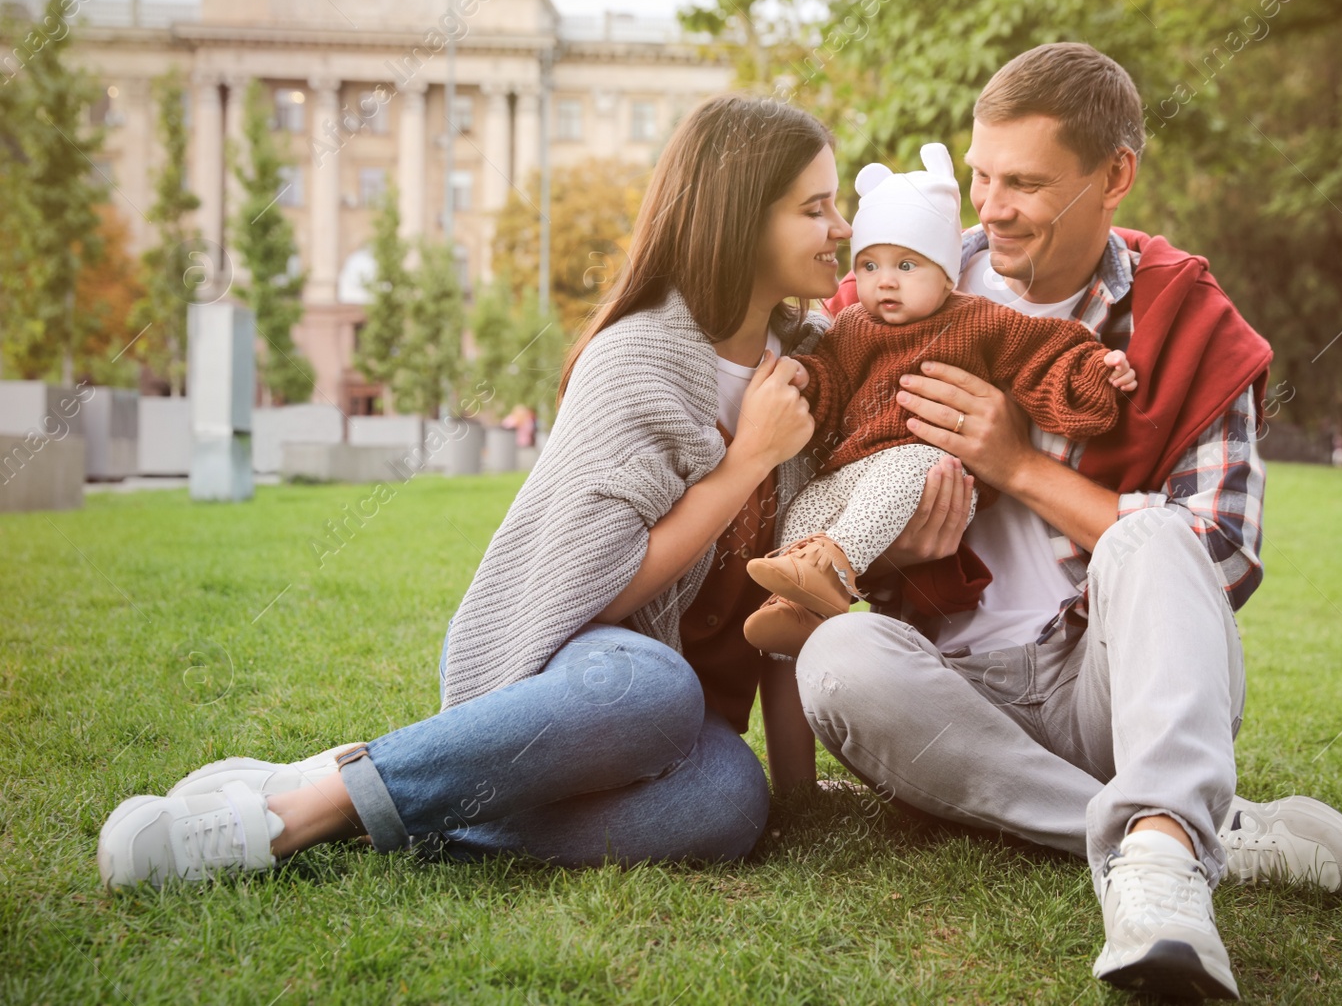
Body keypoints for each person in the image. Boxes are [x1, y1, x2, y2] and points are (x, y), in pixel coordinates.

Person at [96, 95, 845, 888]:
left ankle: (375, 796)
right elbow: (592, 586)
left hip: (677, 730)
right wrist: (745, 463)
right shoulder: (639, 360)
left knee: (729, 802)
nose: (842, 228)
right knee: (652, 687)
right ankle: (287, 819)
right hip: (562, 660)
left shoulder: (813, 362)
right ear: (739, 220)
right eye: (816, 208)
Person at [797, 43, 1342, 1001]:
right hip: (957, 692)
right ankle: (1184, 834)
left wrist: (1014, 464)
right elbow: (810, 492)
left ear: (1116, 177)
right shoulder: (899, 285)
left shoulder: (1183, 313)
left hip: (1122, 687)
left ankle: (1159, 875)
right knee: (834, 661)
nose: (990, 207)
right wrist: (888, 544)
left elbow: (1219, 560)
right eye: (982, 174)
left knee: (1158, 536)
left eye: (1025, 183)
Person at [742, 142, 1137, 657]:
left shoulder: (977, 319)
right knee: (802, 508)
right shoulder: (854, 327)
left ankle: (831, 571)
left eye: (907, 265)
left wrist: (1095, 372)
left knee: (910, 467)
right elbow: (833, 384)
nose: (885, 281)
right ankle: (794, 604)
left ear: (947, 272)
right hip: (857, 468)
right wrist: (807, 383)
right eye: (868, 265)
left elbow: (1045, 356)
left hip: (937, 468)